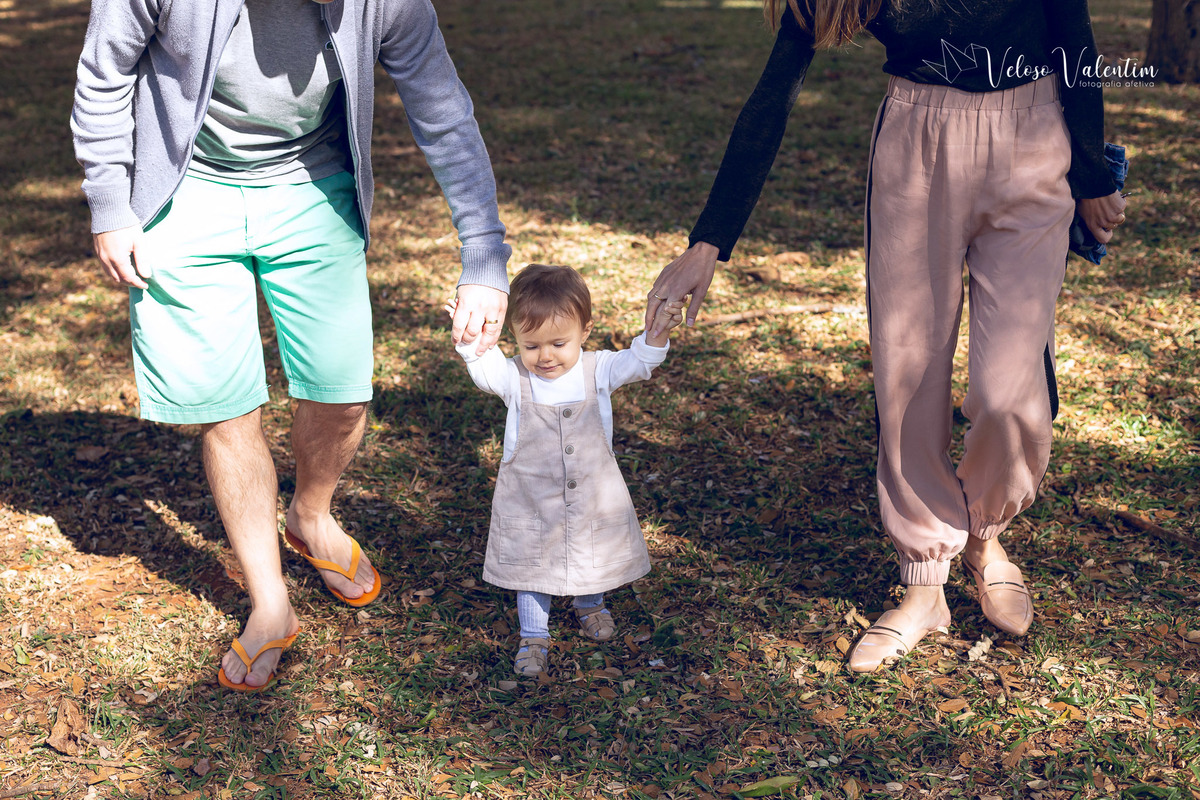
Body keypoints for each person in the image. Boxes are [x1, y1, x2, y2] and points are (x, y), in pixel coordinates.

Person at [645, 0, 1128, 672]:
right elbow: (773, 94)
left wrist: (1094, 173)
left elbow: (1074, 39)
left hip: (1033, 142)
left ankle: (984, 534)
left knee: (1010, 393)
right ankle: (925, 584)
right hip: (915, 147)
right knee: (908, 374)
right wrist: (709, 242)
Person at [72, 0, 511, 691]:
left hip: (314, 183)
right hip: (184, 192)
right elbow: (104, 72)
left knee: (342, 392)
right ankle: (270, 602)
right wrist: (110, 205)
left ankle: (310, 513)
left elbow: (443, 110)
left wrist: (483, 253)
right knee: (226, 407)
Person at [449, 265, 684, 676]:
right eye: (531, 345)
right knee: (530, 563)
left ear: (585, 331)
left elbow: (639, 362)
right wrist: (471, 339)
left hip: (591, 490)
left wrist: (659, 331)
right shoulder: (513, 377)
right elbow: (484, 371)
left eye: (559, 343)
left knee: (593, 548)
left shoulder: (599, 369)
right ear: (515, 338)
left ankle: (590, 604)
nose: (545, 356)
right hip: (530, 498)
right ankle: (533, 635)